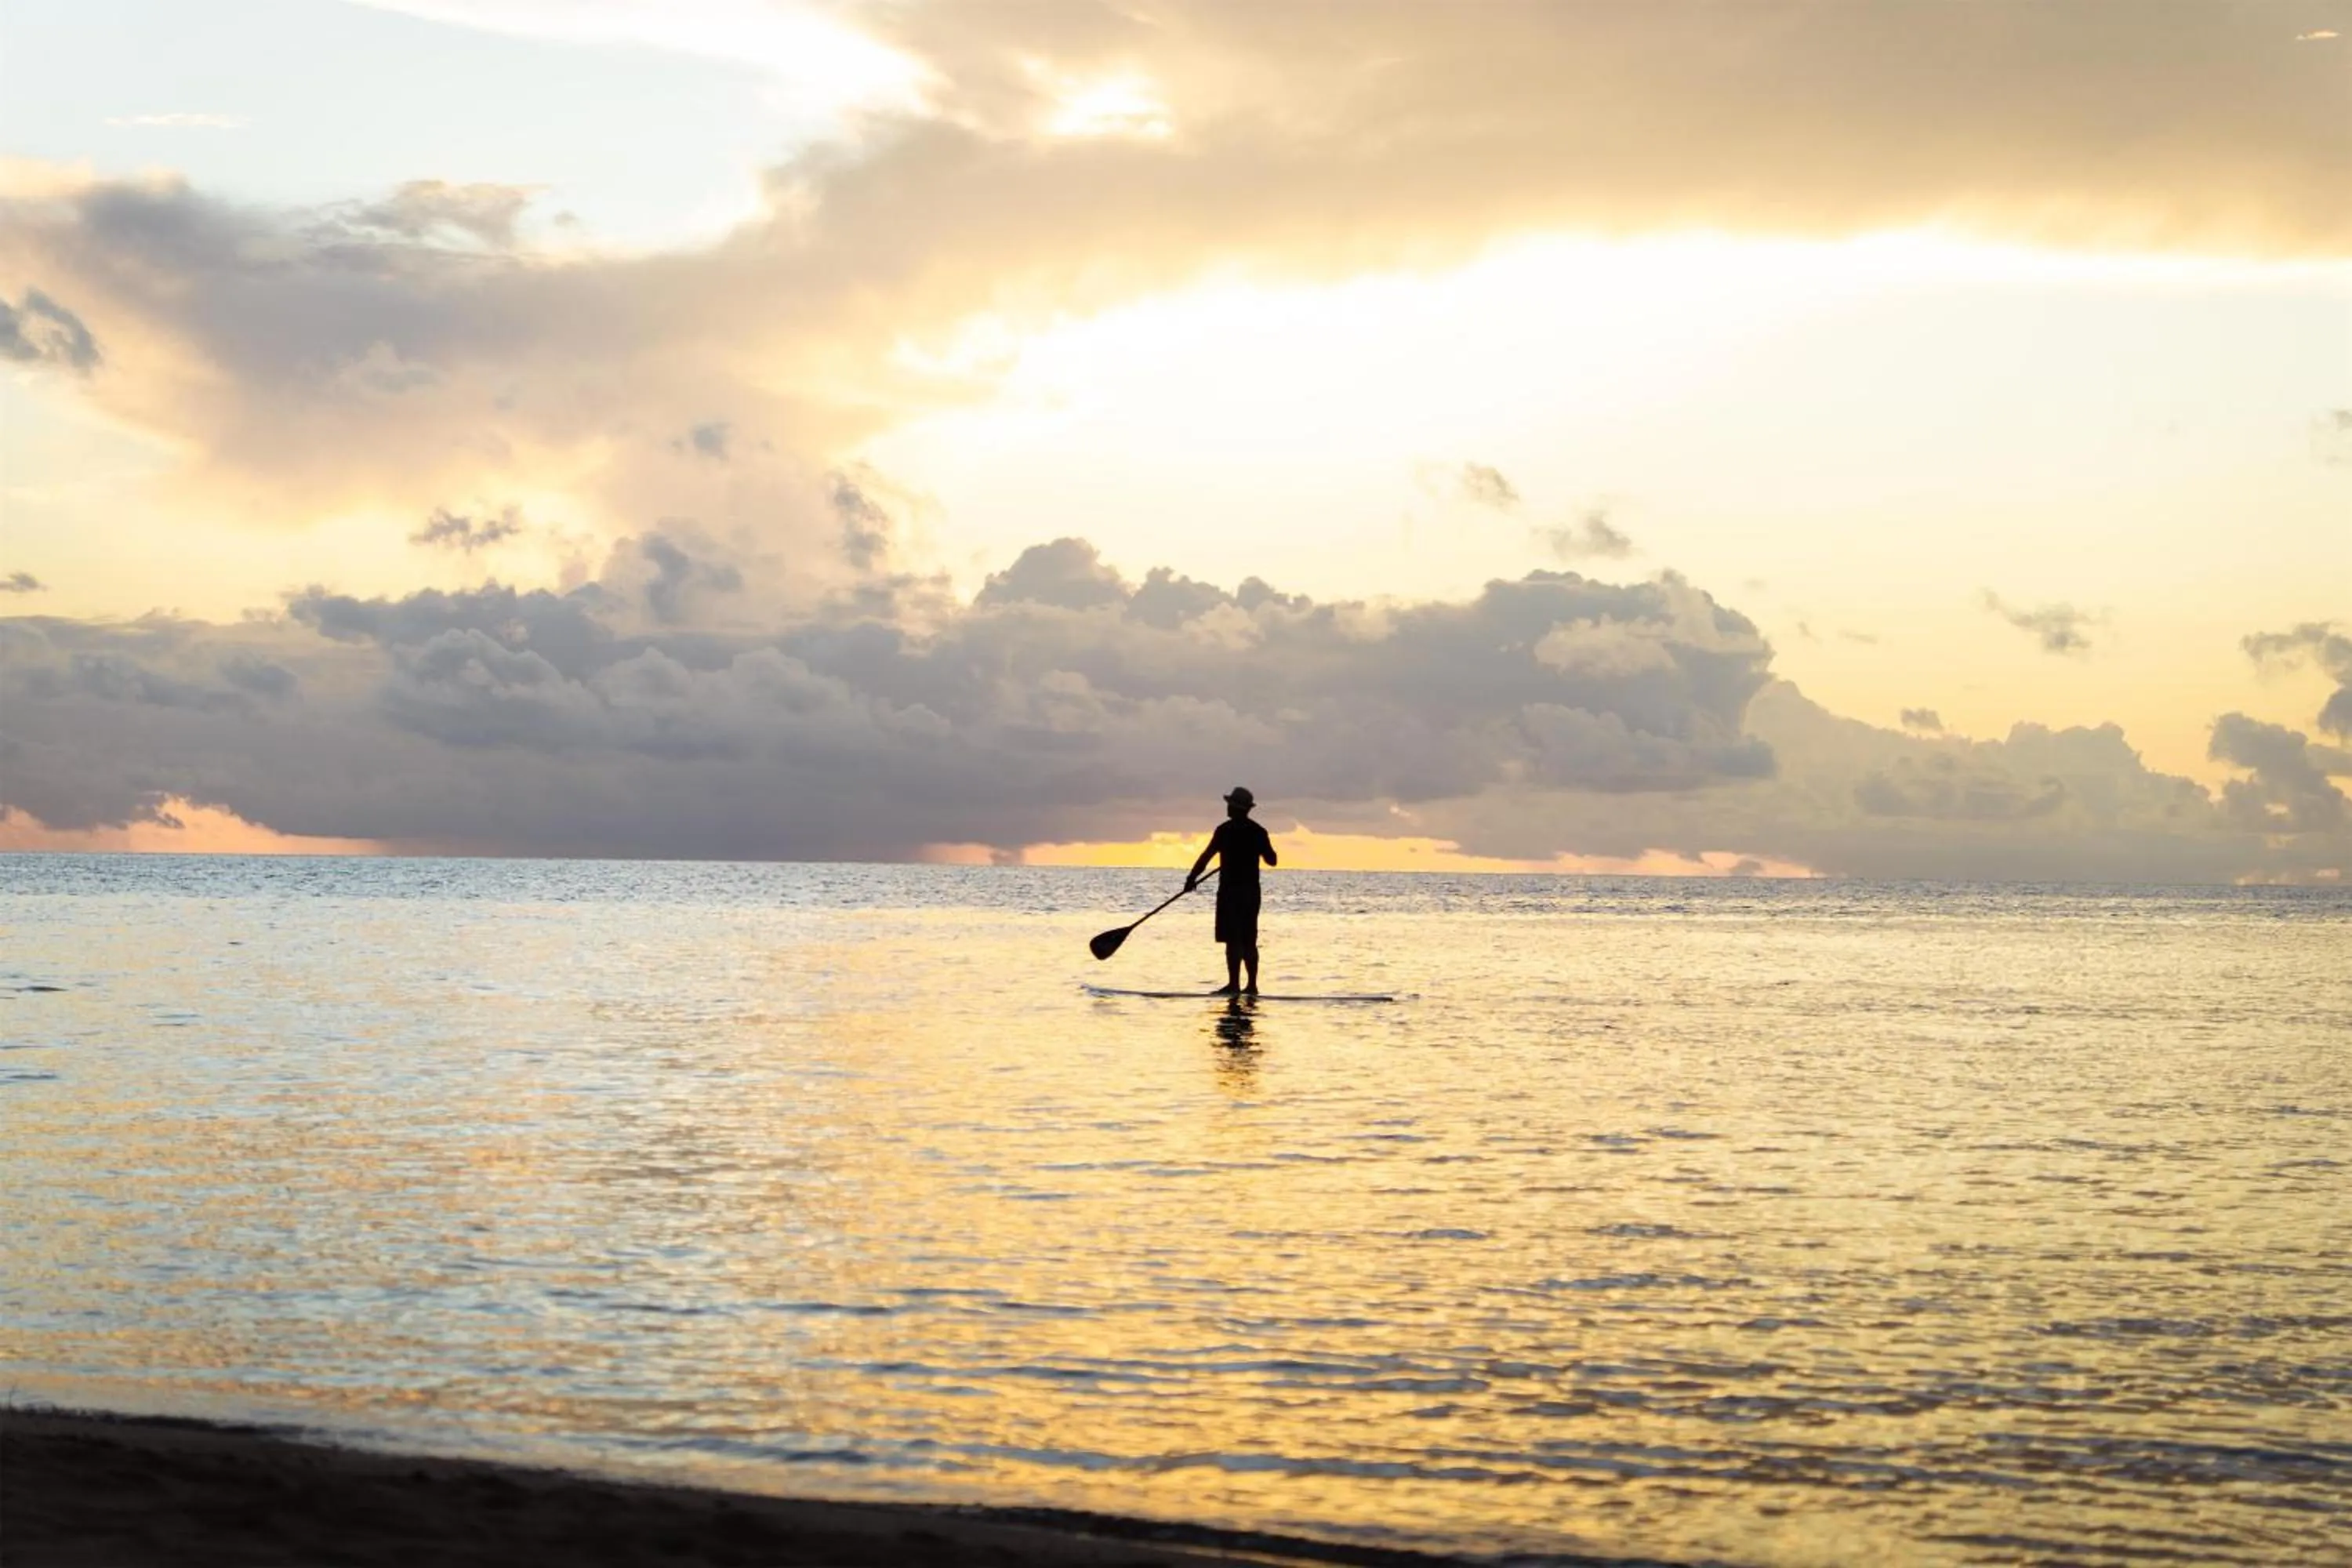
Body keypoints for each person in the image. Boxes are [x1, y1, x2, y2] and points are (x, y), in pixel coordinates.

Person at [1185, 786, 1278, 996]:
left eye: (1230, 805)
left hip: (1231, 892)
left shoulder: (1225, 831)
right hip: (1251, 893)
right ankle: (1251, 986)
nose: (1227, 807)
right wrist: (1259, 849)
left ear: (1236, 808)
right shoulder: (1258, 832)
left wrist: (1192, 878)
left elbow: (1206, 856)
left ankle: (1235, 985)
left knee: (1234, 940)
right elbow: (1272, 860)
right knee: (1247, 939)